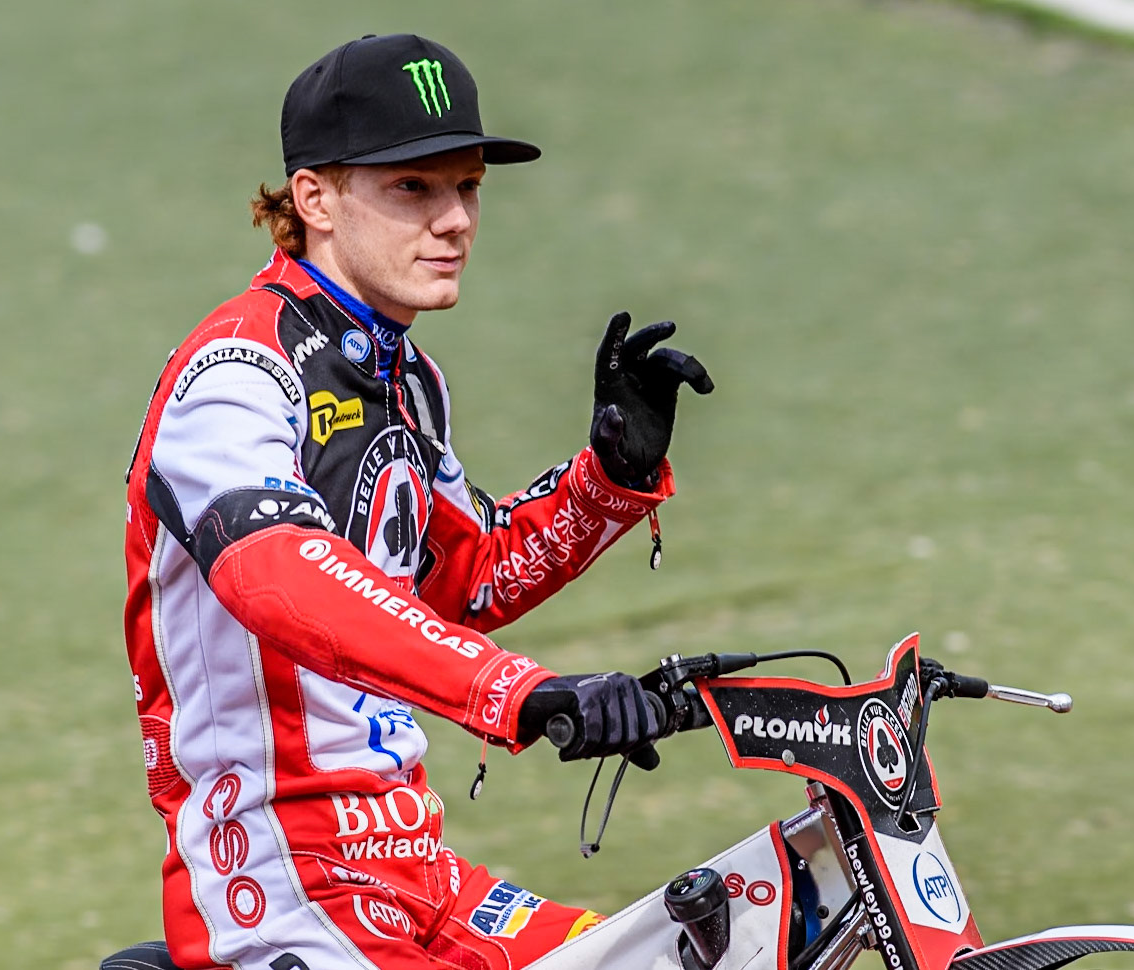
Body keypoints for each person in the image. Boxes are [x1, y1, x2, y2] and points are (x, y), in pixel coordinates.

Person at [121, 33, 714, 970]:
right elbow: (274, 570)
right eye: (414, 189)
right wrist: (516, 690)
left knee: (685, 949)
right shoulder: (235, 371)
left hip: (416, 870)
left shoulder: (410, 381)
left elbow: (464, 580)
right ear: (312, 197)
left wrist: (610, 478)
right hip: (280, 882)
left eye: (468, 186)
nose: (456, 222)